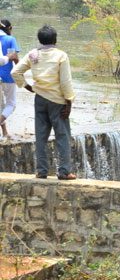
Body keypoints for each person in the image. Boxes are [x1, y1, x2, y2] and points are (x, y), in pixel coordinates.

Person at [11, 25, 76, 180]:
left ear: (39, 40)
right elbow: (65, 81)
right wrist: (69, 102)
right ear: (55, 40)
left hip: (40, 99)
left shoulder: (33, 54)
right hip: (58, 101)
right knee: (62, 136)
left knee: (41, 136)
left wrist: (28, 87)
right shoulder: (61, 56)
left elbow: (15, 72)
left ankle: (41, 171)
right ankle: (64, 171)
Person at [0, 19, 21, 139]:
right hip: (8, 76)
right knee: (11, 105)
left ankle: (5, 133)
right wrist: (20, 72)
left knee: (0, 106)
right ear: (9, 28)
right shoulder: (10, 39)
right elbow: (14, 57)